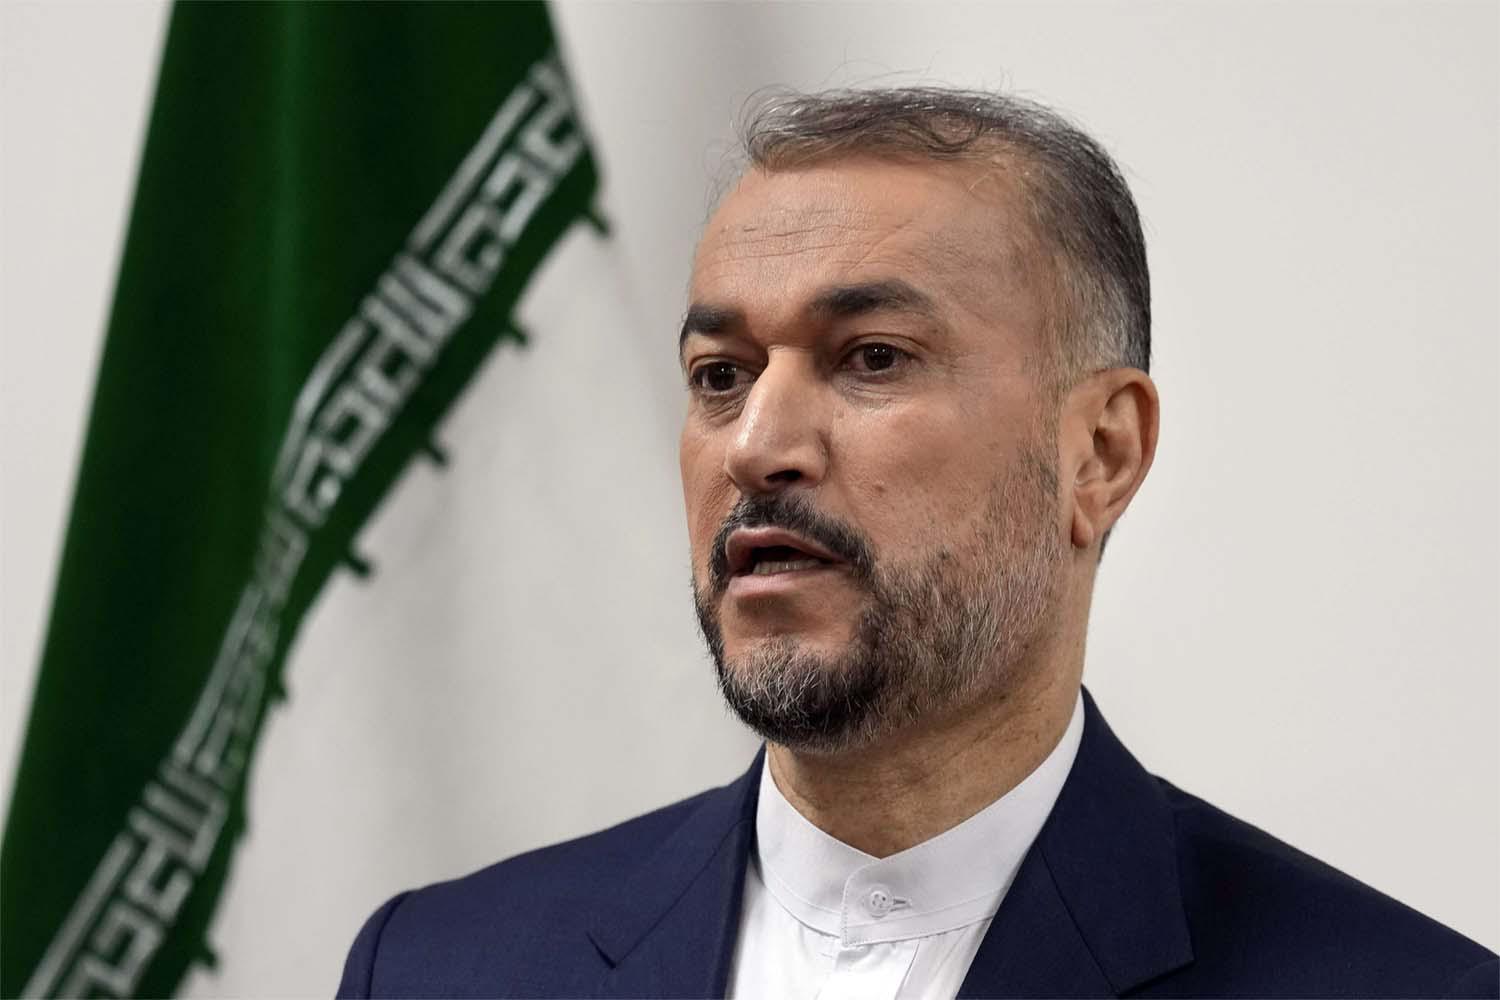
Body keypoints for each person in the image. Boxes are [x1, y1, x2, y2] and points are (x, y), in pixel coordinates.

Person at [336, 87, 1498, 998]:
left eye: (872, 359)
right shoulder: (436, 968)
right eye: (720, 375)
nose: (757, 446)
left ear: (1100, 454)